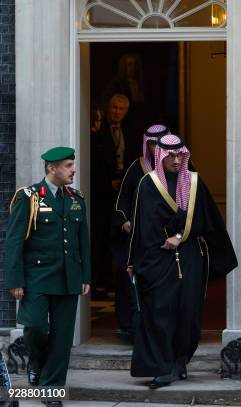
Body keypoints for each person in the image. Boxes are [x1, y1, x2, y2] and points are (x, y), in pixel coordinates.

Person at [127, 134, 237, 389]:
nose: (176, 160)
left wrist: (179, 236)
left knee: (188, 313)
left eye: (180, 155)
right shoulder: (147, 184)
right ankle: (162, 367)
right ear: (160, 156)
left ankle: (179, 363)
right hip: (156, 261)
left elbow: (207, 220)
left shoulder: (194, 182)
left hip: (189, 258)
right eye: (171, 156)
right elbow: (141, 228)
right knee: (159, 312)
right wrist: (133, 261)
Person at [4, 147, 91, 407]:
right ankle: (36, 357)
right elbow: (14, 242)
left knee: (63, 336)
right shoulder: (29, 197)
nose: (73, 170)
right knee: (36, 327)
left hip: (68, 277)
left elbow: (82, 241)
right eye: (67, 165)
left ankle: (51, 390)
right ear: (51, 168)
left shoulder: (76, 198)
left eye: (73, 164)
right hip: (37, 277)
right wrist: (15, 281)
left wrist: (85, 275)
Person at [112, 124, 170, 341]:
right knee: (132, 284)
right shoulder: (136, 168)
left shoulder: (178, 165)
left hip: (168, 239)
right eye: (152, 143)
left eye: (160, 142)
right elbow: (122, 199)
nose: (156, 148)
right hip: (139, 239)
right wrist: (124, 221)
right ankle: (132, 330)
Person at [90, 93, 133, 297]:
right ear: (108, 107)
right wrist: (108, 183)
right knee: (101, 236)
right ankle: (102, 280)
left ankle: (116, 280)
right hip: (102, 191)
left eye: (121, 109)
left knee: (118, 234)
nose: (117, 112)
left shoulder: (130, 130)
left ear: (126, 112)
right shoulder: (98, 130)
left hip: (122, 189)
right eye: (114, 107)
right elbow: (94, 160)